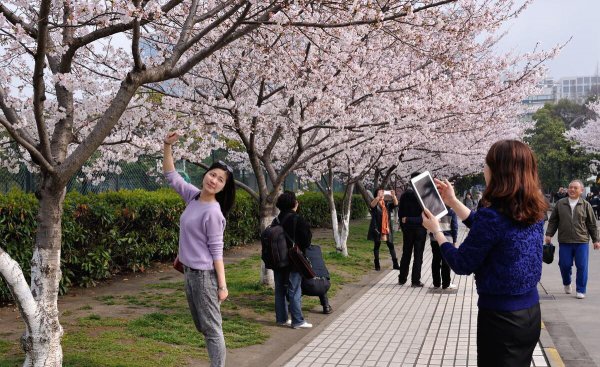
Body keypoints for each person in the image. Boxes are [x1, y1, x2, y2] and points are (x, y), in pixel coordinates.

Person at [421, 140, 548, 367]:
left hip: (502, 321)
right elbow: (490, 230)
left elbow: (462, 263)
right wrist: (453, 201)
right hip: (530, 313)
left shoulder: (494, 215)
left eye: (487, 164)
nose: (484, 169)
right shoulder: (533, 209)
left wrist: (437, 232)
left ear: (499, 171)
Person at [163, 131, 235, 367]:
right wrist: (167, 146)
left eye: (220, 179)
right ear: (206, 175)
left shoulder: (213, 213)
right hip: (189, 273)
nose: (213, 180)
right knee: (202, 326)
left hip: (205, 277)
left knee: (212, 329)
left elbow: (217, 253)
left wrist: (222, 287)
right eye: (212, 174)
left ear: (224, 187)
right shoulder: (193, 197)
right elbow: (172, 176)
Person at [545, 180, 600, 299]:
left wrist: (596, 240)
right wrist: (549, 234)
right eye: (570, 187)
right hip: (565, 241)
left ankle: (581, 289)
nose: (572, 190)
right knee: (564, 265)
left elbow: (592, 224)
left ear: (581, 191)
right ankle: (567, 282)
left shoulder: (586, 205)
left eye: (575, 188)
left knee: (582, 266)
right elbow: (553, 220)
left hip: (582, 241)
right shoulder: (560, 204)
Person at [272, 191, 314, 328]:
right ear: (294, 203)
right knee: (294, 289)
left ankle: (281, 319)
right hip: (293, 261)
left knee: (279, 290)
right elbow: (306, 241)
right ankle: (298, 320)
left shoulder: (276, 220)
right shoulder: (297, 219)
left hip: (277, 260)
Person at [397, 173, 427, 287]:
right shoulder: (423, 195)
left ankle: (402, 278)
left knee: (406, 253)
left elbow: (400, 214)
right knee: (418, 256)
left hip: (408, 229)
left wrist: (405, 222)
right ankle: (415, 281)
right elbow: (426, 215)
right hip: (420, 228)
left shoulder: (405, 195)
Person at [367, 187, 400, 271]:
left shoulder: (387, 204)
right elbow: (372, 205)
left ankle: (395, 264)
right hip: (377, 227)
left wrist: (394, 196)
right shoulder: (375, 203)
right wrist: (378, 197)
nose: (382, 194)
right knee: (377, 245)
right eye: (380, 192)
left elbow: (396, 204)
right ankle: (377, 264)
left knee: (390, 244)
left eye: (382, 193)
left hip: (386, 227)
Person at [429, 206, 458, 290]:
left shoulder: (434, 210)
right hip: (447, 238)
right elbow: (454, 226)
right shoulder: (451, 211)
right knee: (446, 261)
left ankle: (436, 283)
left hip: (434, 238)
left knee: (435, 260)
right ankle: (446, 283)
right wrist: (454, 240)